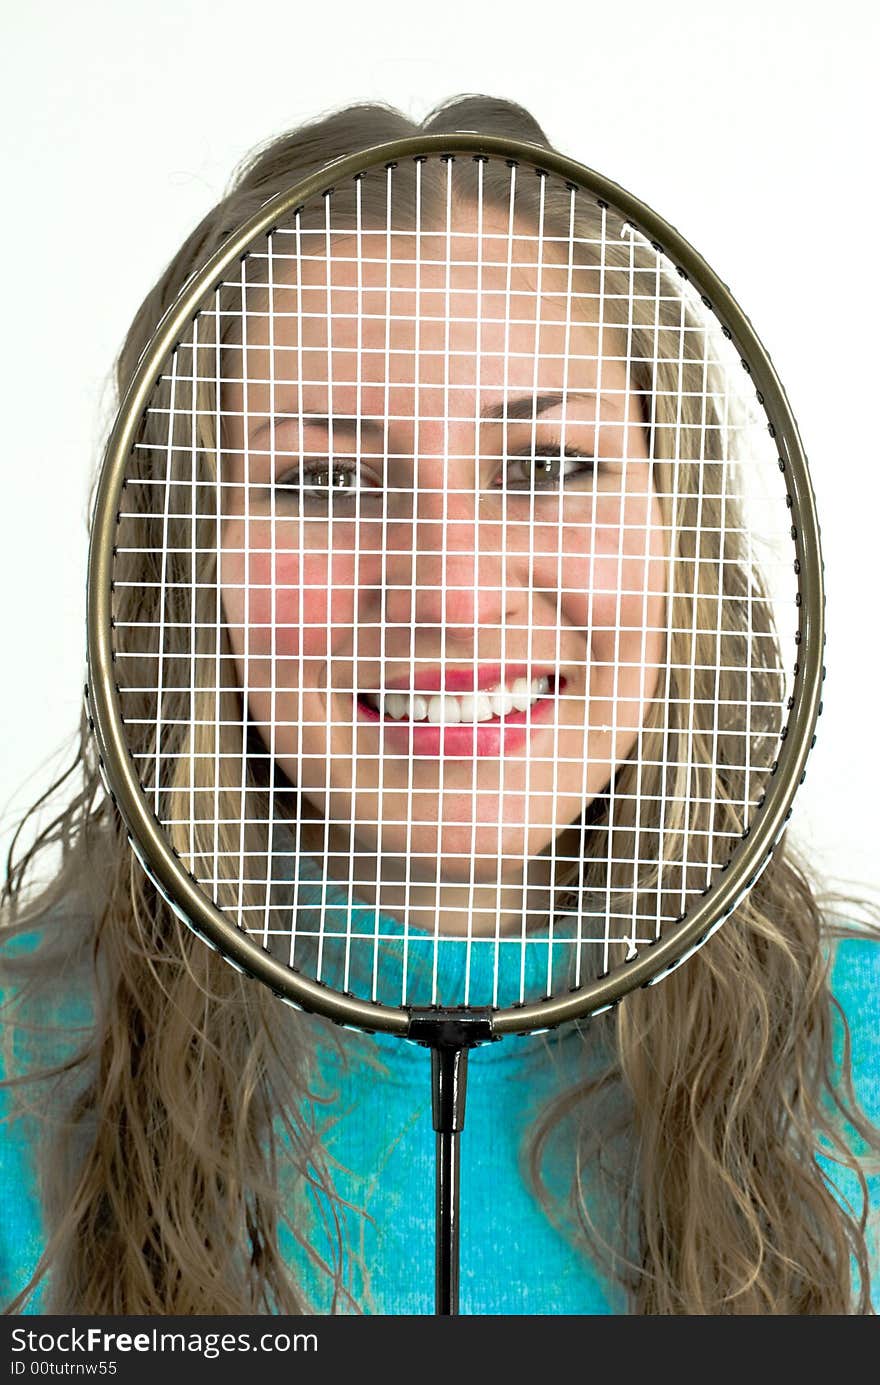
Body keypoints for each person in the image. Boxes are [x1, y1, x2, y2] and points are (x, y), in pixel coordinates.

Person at [2, 94, 878, 1317]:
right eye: (325, 479)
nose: (454, 598)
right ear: (186, 557)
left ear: (672, 521)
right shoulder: (17, 1067)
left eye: (545, 465)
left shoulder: (867, 1055)